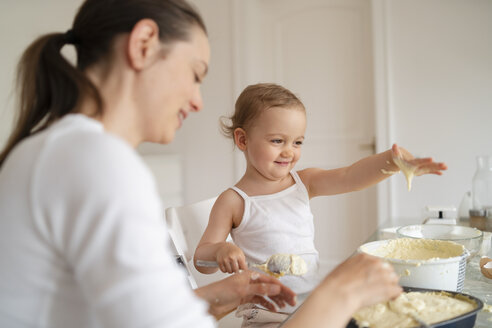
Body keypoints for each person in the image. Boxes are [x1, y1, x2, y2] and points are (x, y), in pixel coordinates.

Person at [0, 1, 401, 328]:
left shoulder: (52, 150)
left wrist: (209, 298)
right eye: (195, 75)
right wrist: (341, 292)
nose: (197, 101)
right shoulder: (96, 163)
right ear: (143, 44)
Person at [194, 83, 447, 326]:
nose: (289, 152)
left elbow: (351, 177)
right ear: (243, 140)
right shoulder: (234, 200)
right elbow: (201, 258)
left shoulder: (304, 182)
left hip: (311, 306)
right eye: (277, 141)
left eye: (297, 142)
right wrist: (219, 251)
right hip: (266, 315)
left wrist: (393, 162)